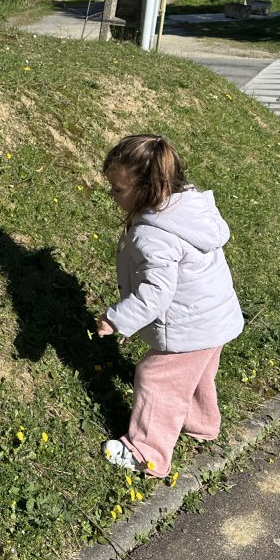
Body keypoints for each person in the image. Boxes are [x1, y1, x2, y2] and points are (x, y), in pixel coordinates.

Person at [97, 134, 244, 477]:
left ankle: (147, 454)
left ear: (147, 189)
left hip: (190, 324)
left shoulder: (154, 234)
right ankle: (201, 424)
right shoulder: (189, 209)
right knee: (197, 374)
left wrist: (116, 319)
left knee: (157, 378)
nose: (112, 194)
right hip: (214, 318)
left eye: (118, 189)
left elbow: (156, 294)